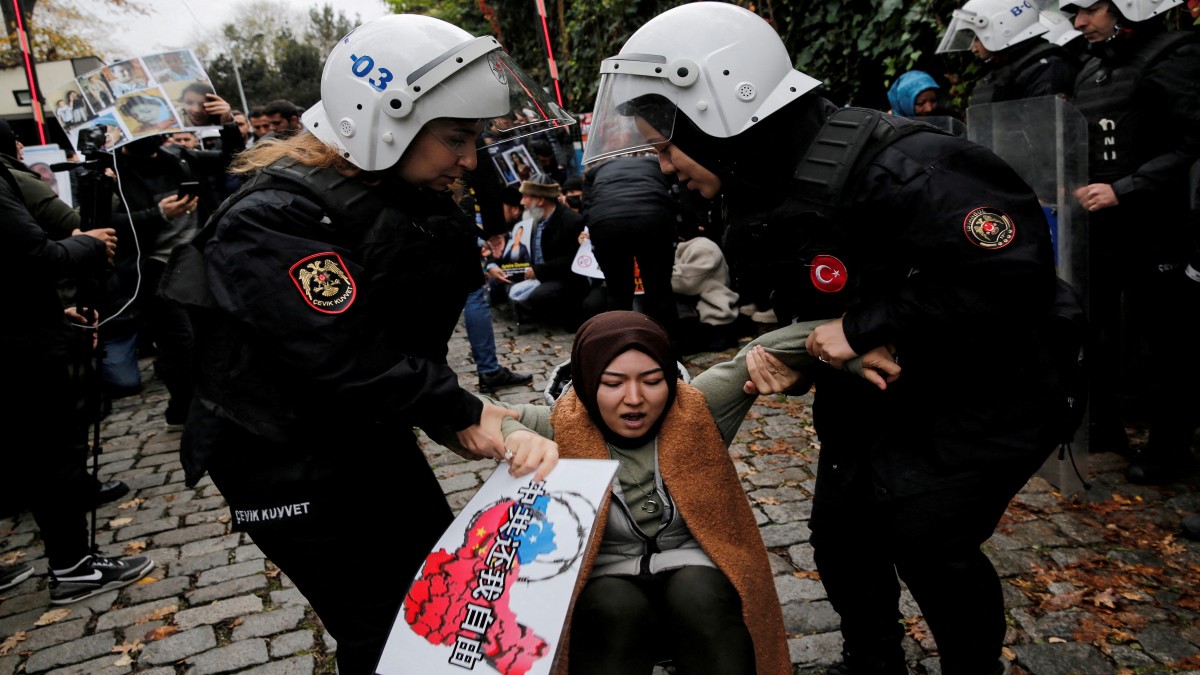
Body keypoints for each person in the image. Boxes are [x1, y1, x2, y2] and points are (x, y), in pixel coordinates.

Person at [582, 4, 1068, 674]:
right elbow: (824, 311)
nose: (663, 168)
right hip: (877, 397)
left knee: (930, 542)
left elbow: (1010, 276)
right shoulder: (766, 190)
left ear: (719, 115)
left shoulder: (906, 165)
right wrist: (799, 355)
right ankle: (872, 661)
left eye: (667, 146)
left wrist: (861, 328)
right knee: (841, 536)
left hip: (983, 390)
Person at [159, 14, 570, 675]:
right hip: (283, 455)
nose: (469, 159)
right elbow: (341, 352)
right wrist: (460, 412)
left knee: (437, 600)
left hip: (358, 433)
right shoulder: (276, 217)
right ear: (387, 120)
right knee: (384, 628)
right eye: (456, 139)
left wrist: (451, 410)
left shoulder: (391, 190)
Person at [0, 163, 154, 604]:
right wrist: (86, 244)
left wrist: (48, 314)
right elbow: (36, 255)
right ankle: (74, 567)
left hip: (21, 329)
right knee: (49, 452)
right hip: (18, 350)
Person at [1061, 0, 1200, 480]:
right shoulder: (1093, 68)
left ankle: (1170, 450)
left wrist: (1126, 188)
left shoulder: (1176, 55)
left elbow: (1192, 143)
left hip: (1157, 228)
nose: (1080, 24)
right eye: (1073, 13)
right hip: (1099, 228)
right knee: (1095, 329)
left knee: (1166, 341)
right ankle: (1103, 431)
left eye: (1091, 10)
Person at [582, 153, 679, 335]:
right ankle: (668, 347)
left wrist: (594, 225)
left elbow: (587, 205)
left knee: (617, 291)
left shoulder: (596, 170)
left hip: (606, 223)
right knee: (659, 288)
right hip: (653, 219)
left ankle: (619, 343)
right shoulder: (656, 163)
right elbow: (676, 192)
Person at [938, 0, 1080, 104]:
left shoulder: (1048, 69)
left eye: (975, 38)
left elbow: (1044, 131)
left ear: (1003, 27)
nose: (973, 49)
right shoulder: (1009, 69)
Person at [512, 174, 590, 331]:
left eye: (526, 197)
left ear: (540, 200)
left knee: (542, 295)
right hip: (535, 274)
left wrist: (538, 271)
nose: (522, 202)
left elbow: (571, 260)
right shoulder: (531, 220)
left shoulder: (571, 221)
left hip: (563, 279)